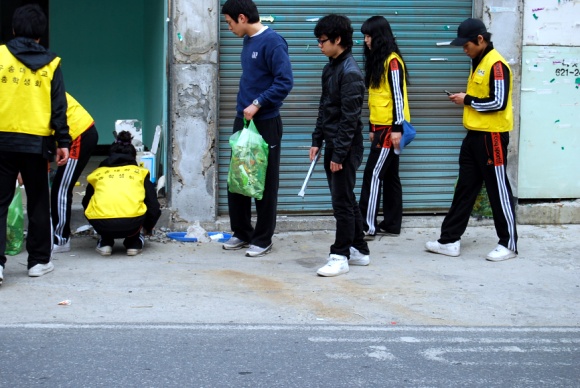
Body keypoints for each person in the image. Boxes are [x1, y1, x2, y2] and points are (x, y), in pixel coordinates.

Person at [425, 18, 518, 262]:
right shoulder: (478, 62)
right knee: (465, 188)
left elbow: (498, 102)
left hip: (492, 137)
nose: (463, 50)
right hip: (474, 135)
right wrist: (466, 99)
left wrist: (466, 100)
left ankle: (508, 243)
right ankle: (449, 240)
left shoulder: (496, 65)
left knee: (498, 189)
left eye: (466, 45)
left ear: (480, 40)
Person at [0, 4, 70, 285]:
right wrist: (63, 141)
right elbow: (59, 107)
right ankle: (39, 262)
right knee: (38, 201)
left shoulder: (1, 56)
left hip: (2, 140)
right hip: (36, 143)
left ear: (14, 29)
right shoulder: (52, 62)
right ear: (41, 34)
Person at [220, 0, 293, 257]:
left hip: (265, 121)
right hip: (243, 120)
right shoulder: (247, 41)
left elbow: (285, 81)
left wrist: (259, 103)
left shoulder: (273, 42)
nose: (228, 28)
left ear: (242, 17)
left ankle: (263, 238)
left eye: (229, 23)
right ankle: (241, 232)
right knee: (238, 178)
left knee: (264, 180)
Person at [311, 14, 370, 277]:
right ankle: (359, 249)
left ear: (338, 39)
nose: (319, 46)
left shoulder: (351, 73)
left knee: (342, 203)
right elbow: (325, 108)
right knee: (346, 198)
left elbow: (350, 119)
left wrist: (339, 153)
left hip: (345, 147)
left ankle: (340, 255)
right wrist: (316, 140)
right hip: (334, 144)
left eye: (323, 41)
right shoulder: (331, 67)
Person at [357, 16, 411, 240]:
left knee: (373, 174)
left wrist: (397, 128)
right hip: (380, 127)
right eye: (365, 37)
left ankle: (366, 226)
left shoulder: (393, 62)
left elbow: (398, 97)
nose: (366, 41)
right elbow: (375, 98)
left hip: (390, 129)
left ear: (379, 37)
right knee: (390, 176)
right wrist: (371, 126)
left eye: (369, 36)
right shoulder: (378, 61)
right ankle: (392, 224)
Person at [82, 131, 161, 256]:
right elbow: (154, 206)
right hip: (133, 224)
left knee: (92, 203)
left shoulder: (97, 174)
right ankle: (134, 242)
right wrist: (148, 227)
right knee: (146, 202)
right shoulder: (140, 173)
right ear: (133, 156)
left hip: (101, 224)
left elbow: (86, 202)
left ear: (109, 155)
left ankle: (105, 241)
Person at [52, 93, 99, 253]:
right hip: (69, 135)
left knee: (61, 189)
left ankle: (61, 239)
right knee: (59, 187)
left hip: (78, 135)